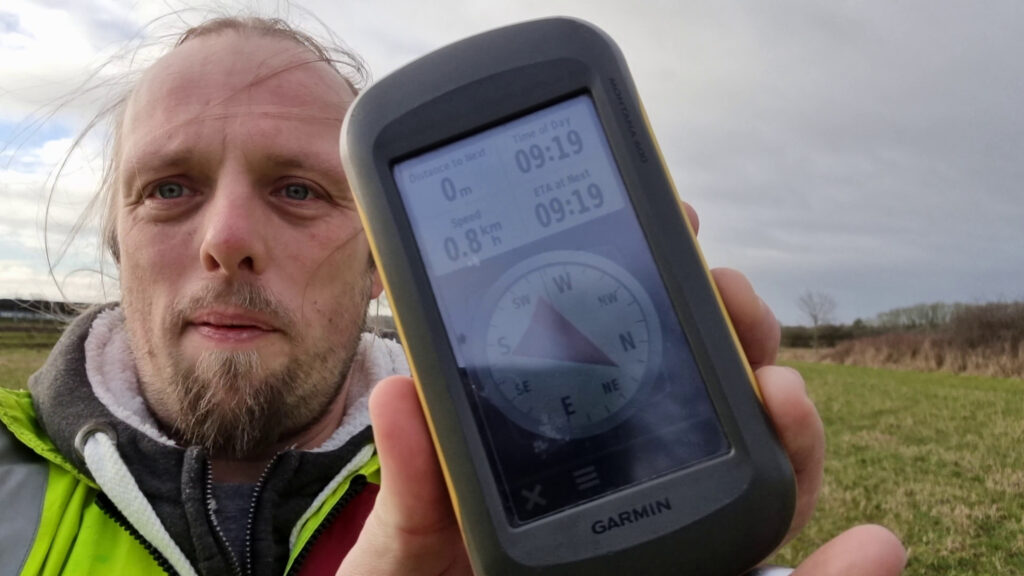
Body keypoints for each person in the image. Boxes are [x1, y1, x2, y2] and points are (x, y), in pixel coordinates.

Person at [0, 15, 906, 576]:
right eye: (168, 188)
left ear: (382, 264)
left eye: (299, 190)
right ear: (117, 244)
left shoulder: (491, 518)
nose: (227, 239)